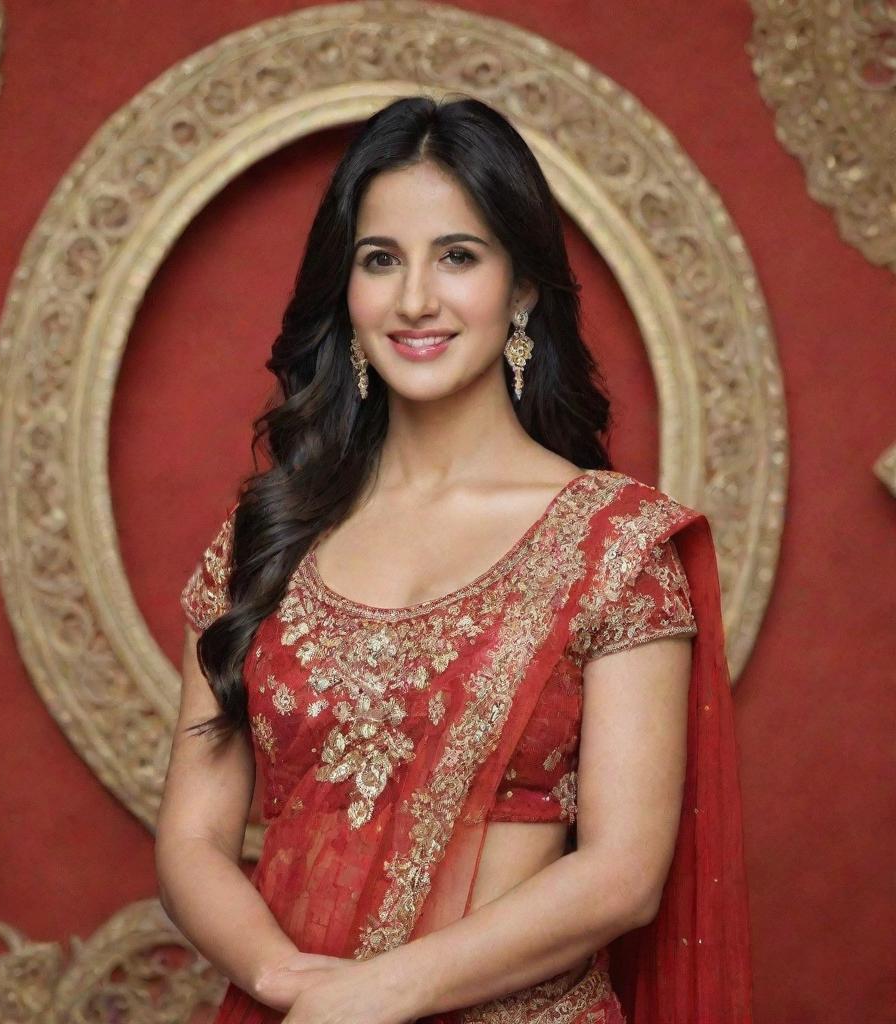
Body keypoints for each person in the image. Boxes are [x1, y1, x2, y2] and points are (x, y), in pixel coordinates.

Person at [155, 95, 753, 1024]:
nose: (415, 300)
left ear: (521, 289)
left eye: (459, 257)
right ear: (345, 291)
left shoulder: (614, 545)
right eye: (380, 259)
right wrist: (289, 984)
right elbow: (193, 835)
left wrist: (379, 995)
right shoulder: (268, 535)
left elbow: (623, 874)